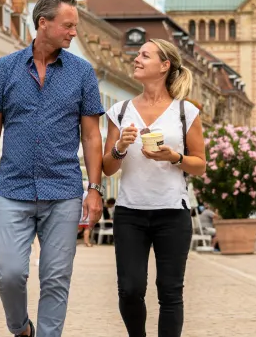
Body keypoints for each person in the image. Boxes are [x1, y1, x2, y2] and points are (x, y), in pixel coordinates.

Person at [0, 0, 104, 337]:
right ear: (44, 23)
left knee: (56, 278)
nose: (74, 33)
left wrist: (94, 189)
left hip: (63, 191)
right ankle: (21, 327)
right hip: (13, 189)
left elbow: (91, 136)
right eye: (68, 25)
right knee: (9, 273)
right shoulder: (6, 67)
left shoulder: (82, 73)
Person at [101, 38, 204, 337]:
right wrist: (120, 147)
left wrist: (175, 157)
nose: (137, 59)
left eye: (145, 55)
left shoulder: (186, 112)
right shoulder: (120, 111)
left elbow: (200, 164)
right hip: (130, 212)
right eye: (138, 55)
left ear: (164, 65)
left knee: (170, 291)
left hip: (172, 212)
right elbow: (108, 167)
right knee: (130, 289)